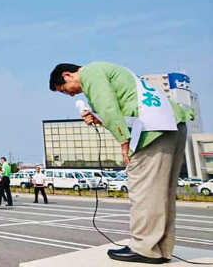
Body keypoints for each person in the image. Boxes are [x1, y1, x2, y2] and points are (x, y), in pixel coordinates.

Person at [49, 62, 193, 264]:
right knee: (162, 192)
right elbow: (119, 109)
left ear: (67, 75)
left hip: (152, 131)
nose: (72, 95)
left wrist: (123, 141)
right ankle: (160, 248)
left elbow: (108, 105)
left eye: (65, 90)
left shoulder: (90, 73)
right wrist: (99, 118)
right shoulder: (111, 71)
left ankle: (144, 247)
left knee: (144, 190)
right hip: (170, 124)